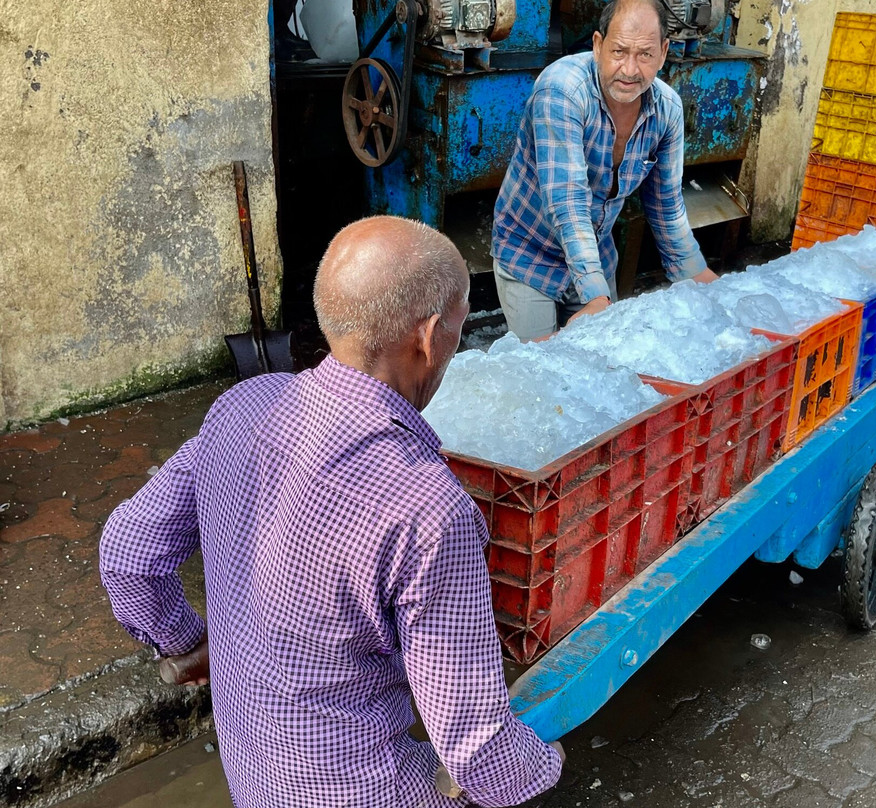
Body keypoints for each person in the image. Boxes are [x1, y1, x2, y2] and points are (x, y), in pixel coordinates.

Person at [99, 216, 563, 807]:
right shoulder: (428, 507)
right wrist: (541, 764)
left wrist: (186, 642)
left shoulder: (240, 408)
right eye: (459, 323)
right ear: (427, 336)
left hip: (253, 780)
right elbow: (473, 745)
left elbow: (128, 556)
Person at [491, 0, 717, 341]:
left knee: (597, 361)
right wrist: (597, 297)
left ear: (663, 53)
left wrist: (705, 280)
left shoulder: (667, 110)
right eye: (619, 51)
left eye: (645, 54)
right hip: (530, 254)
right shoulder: (562, 90)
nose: (630, 70)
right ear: (598, 45)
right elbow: (568, 202)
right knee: (540, 363)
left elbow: (667, 209)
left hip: (597, 257)